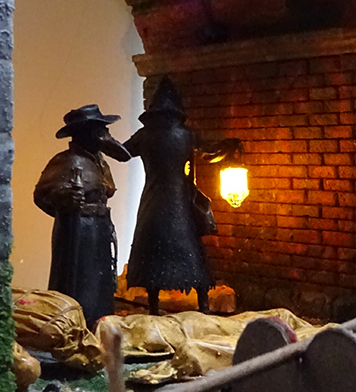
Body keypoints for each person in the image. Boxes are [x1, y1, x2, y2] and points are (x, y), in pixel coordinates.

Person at [124, 78, 240, 315]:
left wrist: (100, 141)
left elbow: (122, 152)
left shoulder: (144, 135)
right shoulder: (186, 134)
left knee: (153, 253)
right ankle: (203, 304)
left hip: (153, 200)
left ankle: (154, 305)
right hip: (180, 201)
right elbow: (210, 153)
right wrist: (229, 147)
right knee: (191, 251)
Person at [34, 106, 130, 329]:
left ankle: (99, 324)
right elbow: (41, 195)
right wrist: (63, 197)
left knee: (99, 281)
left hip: (99, 227)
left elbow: (123, 155)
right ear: (87, 132)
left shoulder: (100, 161)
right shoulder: (66, 160)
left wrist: (108, 141)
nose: (105, 135)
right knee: (77, 281)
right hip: (76, 229)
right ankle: (73, 326)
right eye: (100, 131)